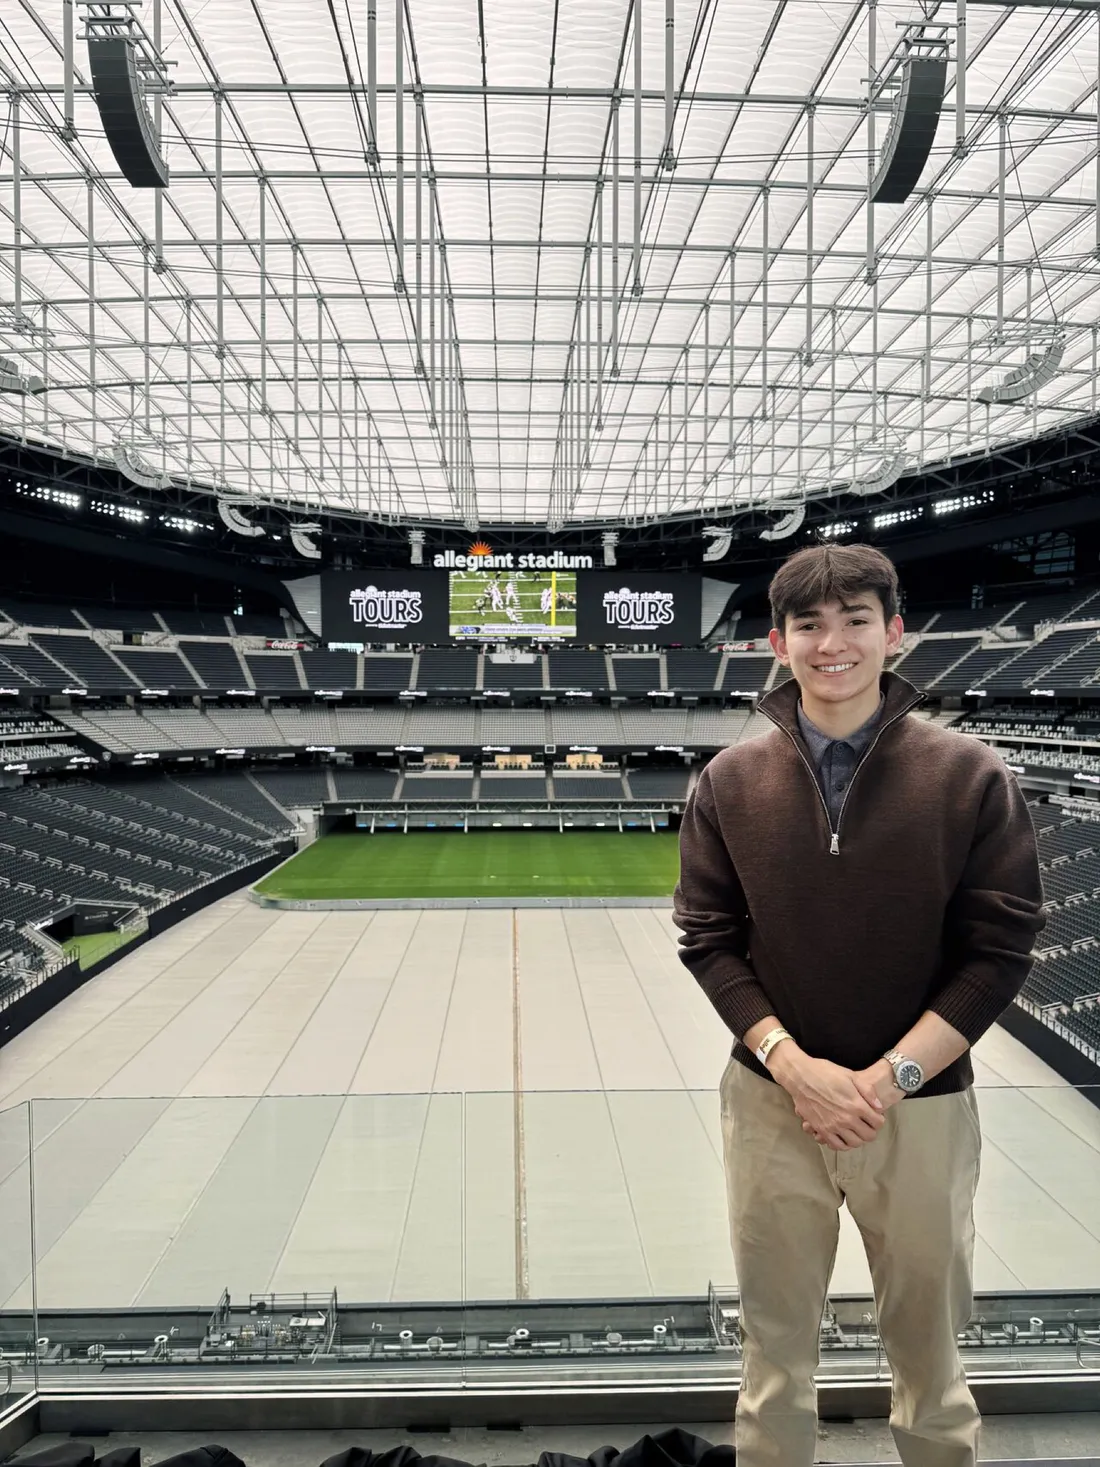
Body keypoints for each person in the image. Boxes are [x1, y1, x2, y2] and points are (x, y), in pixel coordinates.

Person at [673, 543, 1045, 1467]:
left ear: (895, 633)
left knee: (929, 1349)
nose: (832, 642)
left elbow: (998, 950)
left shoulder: (971, 775)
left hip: (921, 1105)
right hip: (772, 1102)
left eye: (855, 620)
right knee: (773, 1349)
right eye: (810, 624)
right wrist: (794, 1068)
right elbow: (708, 941)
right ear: (778, 641)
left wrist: (887, 1079)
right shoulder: (728, 781)